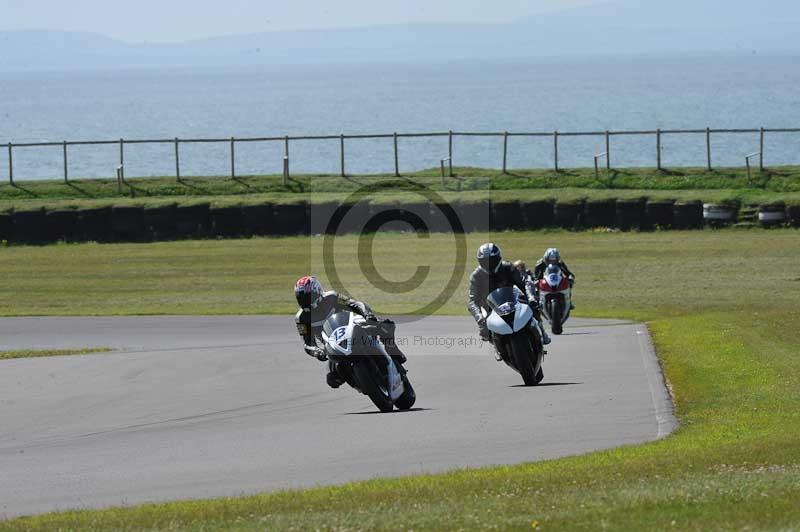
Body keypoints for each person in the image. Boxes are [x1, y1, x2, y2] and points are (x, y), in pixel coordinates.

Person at [294, 276, 407, 389]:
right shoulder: (301, 318)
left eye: (307, 297)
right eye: (301, 298)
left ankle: (393, 351)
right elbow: (307, 343)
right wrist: (317, 352)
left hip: (352, 328)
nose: (304, 301)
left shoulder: (332, 296)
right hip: (333, 345)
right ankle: (359, 383)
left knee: (386, 326)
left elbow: (355, 304)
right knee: (332, 380)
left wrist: (368, 315)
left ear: (317, 291)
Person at [467, 243, 550, 361]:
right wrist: (479, 317)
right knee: (484, 329)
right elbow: (472, 300)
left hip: (511, 299)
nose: (489, 263)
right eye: (485, 261)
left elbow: (524, 283)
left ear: (498, 258)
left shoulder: (507, 267)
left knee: (532, 306)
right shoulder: (476, 275)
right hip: (491, 306)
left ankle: (540, 330)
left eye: (492, 260)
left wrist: (531, 297)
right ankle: (497, 346)